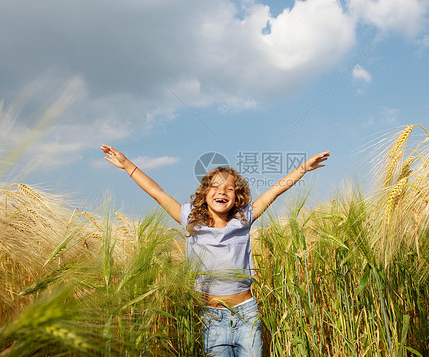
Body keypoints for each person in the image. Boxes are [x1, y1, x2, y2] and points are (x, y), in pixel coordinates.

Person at [100, 145, 329, 357]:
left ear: (236, 197)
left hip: (246, 313)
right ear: (204, 194)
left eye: (230, 188)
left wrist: (303, 169)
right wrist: (128, 165)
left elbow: (274, 192)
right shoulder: (190, 220)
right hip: (211, 317)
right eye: (216, 186)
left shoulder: (244, 219)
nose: (223, 191)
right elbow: (157, 193)